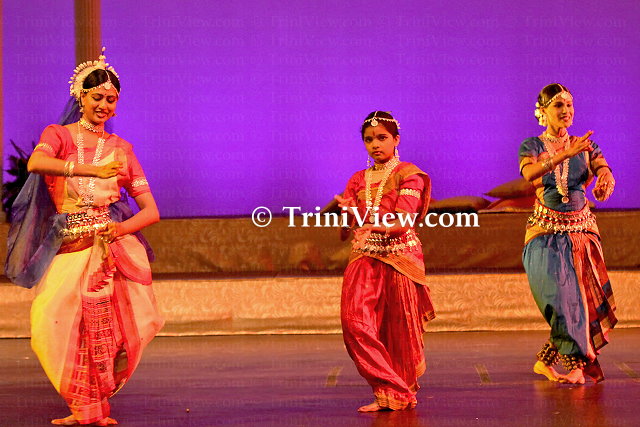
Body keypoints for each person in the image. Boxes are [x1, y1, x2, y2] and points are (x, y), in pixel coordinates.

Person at [5, 48, 164, 425]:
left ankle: (91, 410)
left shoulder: (122, 150)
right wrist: (90, 170)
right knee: (51, 325)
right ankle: (85, 407)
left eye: (111, 99)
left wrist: (119, 228)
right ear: (81, 96)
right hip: (68, 248)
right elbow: (37, 163)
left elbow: (151, 211)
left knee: (102, 333)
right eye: (97, 97)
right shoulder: (58, 135)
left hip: (108, 251)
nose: (104, 105)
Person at [335, 111, 435, 412]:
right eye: (369, 140)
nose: (375, 145)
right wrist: (347, 214)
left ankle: (394, 393)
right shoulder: (357, 179)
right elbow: (345, 232)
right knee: (355, 323)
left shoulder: (409, 174)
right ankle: (392, 387)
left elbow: (404, 221)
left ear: (396, 140)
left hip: (399, 257)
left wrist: (368, 222)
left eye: (382, 138)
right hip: (364, 256)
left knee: (397, 331)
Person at [519, 84, 616, 385]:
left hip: (581, 233)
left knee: (577, 301)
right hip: (544, 233)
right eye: (558, 106)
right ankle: (572, 361)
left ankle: (569, 366)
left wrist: (605, 181)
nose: (566, 111)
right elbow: (529, 174)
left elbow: (603, 169)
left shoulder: (585, 145)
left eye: (569, 105)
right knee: (558, 299)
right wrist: (565, 154)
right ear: (542, 112)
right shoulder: (531, 145)